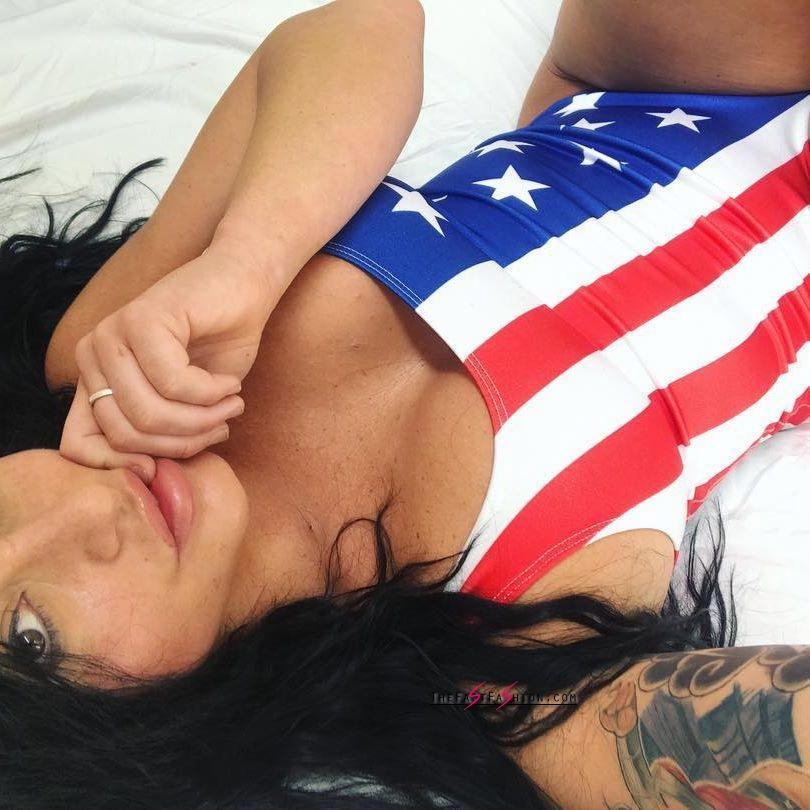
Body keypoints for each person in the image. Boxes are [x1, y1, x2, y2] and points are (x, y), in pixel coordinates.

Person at [0, 0, 808, 806]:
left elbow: (367, 24)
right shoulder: (490, 675)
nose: (88, 513)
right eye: (31, 637)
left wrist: (245, 261)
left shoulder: (109, 361)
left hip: (647, 86)